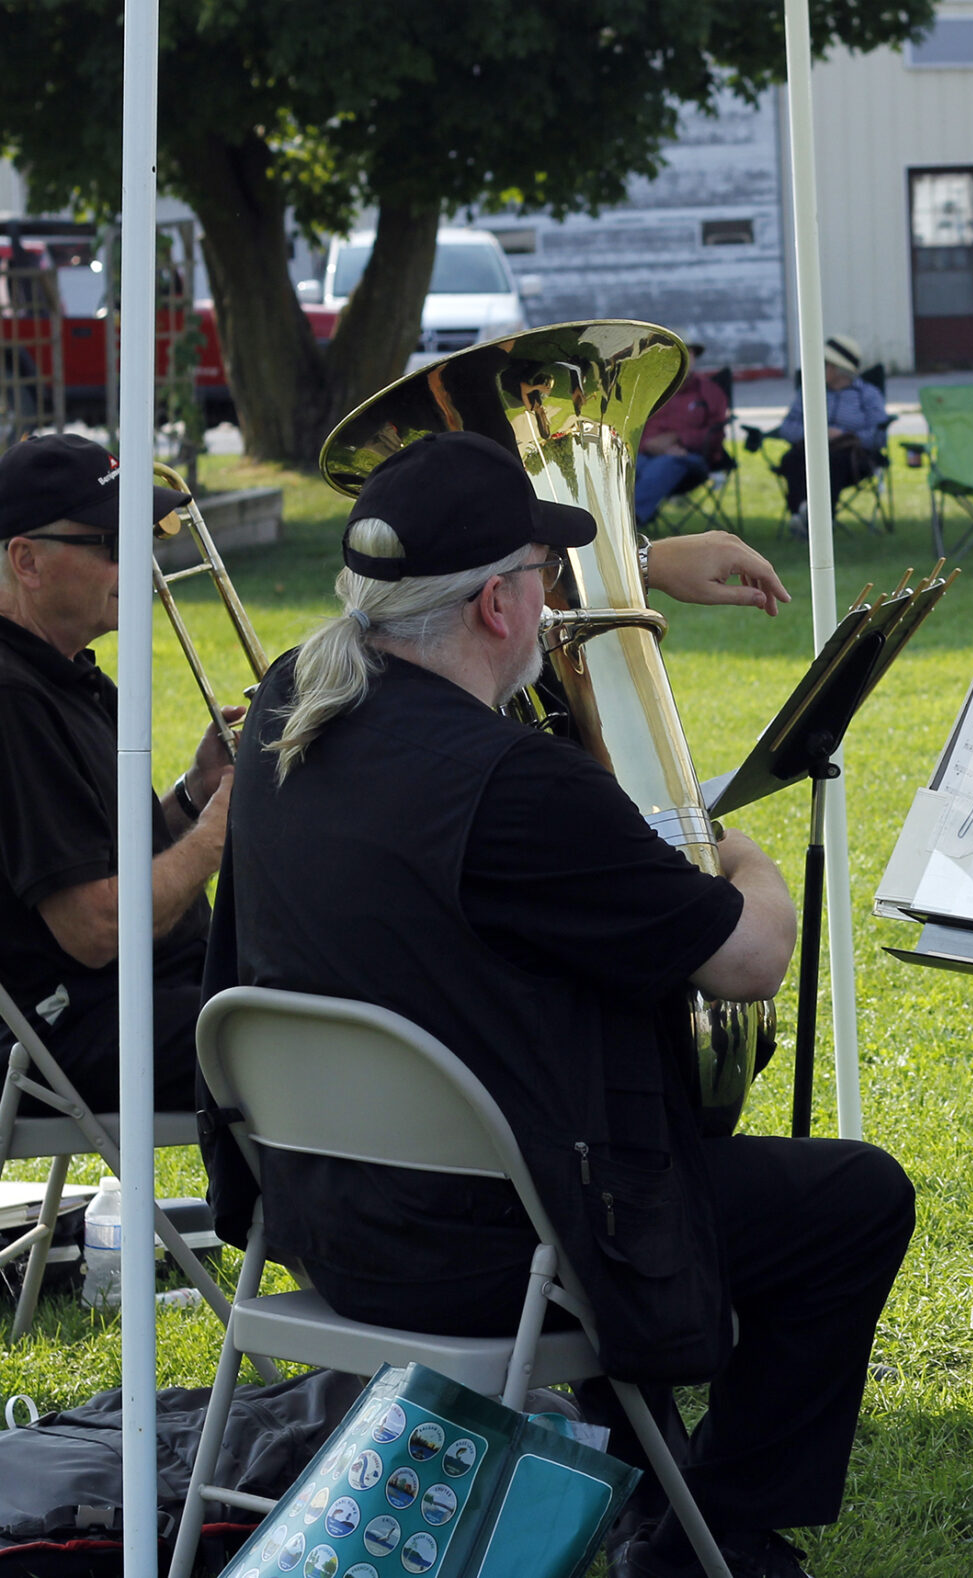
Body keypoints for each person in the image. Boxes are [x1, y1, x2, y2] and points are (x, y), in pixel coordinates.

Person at [203, 433, 911, 1578]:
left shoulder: (295, 699)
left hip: (321, 1217)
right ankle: (710, 1529)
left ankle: (649, 1477)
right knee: (853, 1198)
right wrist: (734, 851)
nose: (549, 602)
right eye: (539, 576)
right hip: (500, 1251)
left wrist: (647, 558)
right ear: (495, 603)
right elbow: (747, 962)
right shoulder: (514, 786)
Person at [0, 433, 228, 1111]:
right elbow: (93, 929)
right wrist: (218, 836)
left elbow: (88, 858)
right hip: (73, 1030)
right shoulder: (12, 698)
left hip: (139, 996)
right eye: (112, 545)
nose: (141, 566)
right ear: (26, 561)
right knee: (320, 1029)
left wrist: (192, 799)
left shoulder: (61, 678)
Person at [771, 333, 887, 540]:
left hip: (852, 457)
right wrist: (815, 434)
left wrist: (843, 435)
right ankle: (801, 511)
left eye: (824, 364)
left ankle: (821, 519)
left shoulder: (867, 394)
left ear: (837, 368)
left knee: (831, 462)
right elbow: (787, 427)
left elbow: (878, 435)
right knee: (792, 459)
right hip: (810, 450)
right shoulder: (809, 392)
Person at [634, 347, 733, 526]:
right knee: (629, 469)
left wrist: (679, 439)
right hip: (649, 453)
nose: (683, 359)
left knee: (664, 465)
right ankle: (611, 519)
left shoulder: (709, 391)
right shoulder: (653, 391)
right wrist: (651, 445)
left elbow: (716, 433)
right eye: (676, 353)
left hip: (691, 458)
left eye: (689, 353)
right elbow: (638, 426)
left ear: (694, 357)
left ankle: (630, 520)